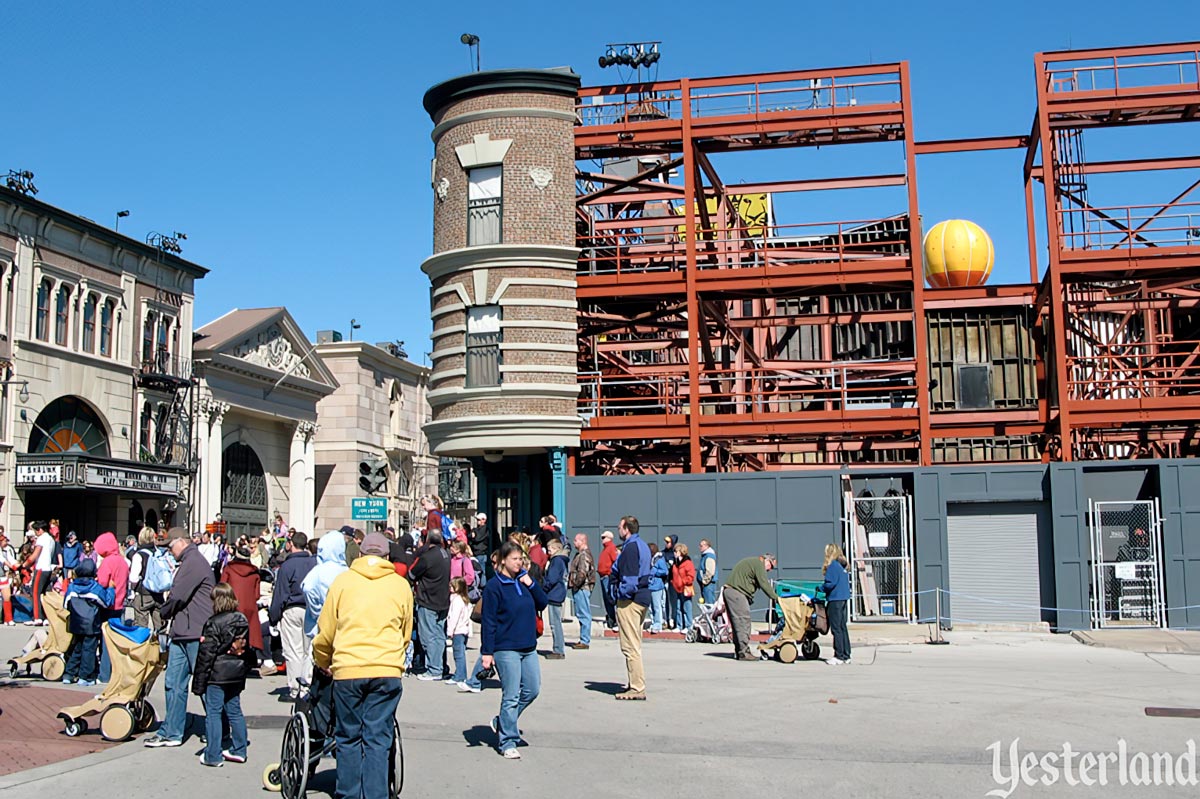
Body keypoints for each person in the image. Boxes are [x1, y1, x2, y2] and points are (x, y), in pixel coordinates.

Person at [312, 532, 412, 799]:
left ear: (359, 554)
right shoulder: (400, 585)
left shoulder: (343, 583)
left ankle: (348, 794)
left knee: (348, 736)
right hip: (386, 668)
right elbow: (405, 633)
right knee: (378, 737)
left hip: (349, 668)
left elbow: (327, 631)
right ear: (387, 556)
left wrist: (323, 659)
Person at [145, 527, 214, 747]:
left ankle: (217, 730)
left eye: (170, 547)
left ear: (181, 542)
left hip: (196, 633)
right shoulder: (189, 561)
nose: (169, 552)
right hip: (183, 632)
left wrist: (162, 612)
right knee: (173, 682)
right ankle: (171, 731)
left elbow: (177, 597)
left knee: (203, 685)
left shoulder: (193, 561)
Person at [480, 541, 548, 759]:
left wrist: (531, 583)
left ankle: (502, 721)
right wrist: (487, 652)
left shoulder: (524, 580)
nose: (519, 563)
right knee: (511, 694)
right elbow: (488, 621)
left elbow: (543, 602)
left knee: (532, 689)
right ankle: (507, 740)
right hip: (505, 647)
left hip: (528, 646)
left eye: (521, 558)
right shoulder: (494, 586)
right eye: (514, 559)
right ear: (502, 561)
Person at [191, 582, 252, 767]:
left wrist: (198, 681)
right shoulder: (242, 620)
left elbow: (206, 655)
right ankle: (240, 750)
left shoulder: (213, 623)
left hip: (217, 673)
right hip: (236, 671)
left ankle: (213, 754)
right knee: (234, 710)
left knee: (213, 713)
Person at [269, 531, 315, 698]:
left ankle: (294, 688)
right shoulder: (313, 563)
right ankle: (306, 687)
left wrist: (273, 616)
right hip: (310, 609)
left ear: (292, 544)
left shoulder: (287, 566)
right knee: (308, 650)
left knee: (293, 651)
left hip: (292, 609)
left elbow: (280, 594)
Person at [609, 516, 651, 700]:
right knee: (635, 643)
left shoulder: (631, 547)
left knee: (630, 646)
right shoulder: (642, 545)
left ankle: (637, 687)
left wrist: (619, 593)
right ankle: (635, 682)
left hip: (631, 600)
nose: (618, 530)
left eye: (620, 527)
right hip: (642, 598)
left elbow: (630, 578)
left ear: (626, 529)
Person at [62, 558, 114, 686]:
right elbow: (107, 602)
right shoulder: (95, 588)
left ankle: (69, 674)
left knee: (77, 648)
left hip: (76, 623)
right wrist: (111, 589)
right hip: (91, 624)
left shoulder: (72, 587)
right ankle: (85, 677)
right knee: (89, 650)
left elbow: (66, 604)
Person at [410, 530, 451, 680]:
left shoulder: (427, 557)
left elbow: (412, 574)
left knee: (428, 636)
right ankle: (438, 667)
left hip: (428, 599)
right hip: (443, 600)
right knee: (439, 635)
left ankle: (434, 669)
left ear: (427, 540)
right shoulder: (446, 554)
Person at [724, 553, 779, 662]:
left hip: (731, 592)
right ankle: (744, 652)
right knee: (743, 622)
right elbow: (764, 584)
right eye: (771, 566)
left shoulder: (753, 562)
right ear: (767, 560)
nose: (770, 570)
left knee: (737, 624)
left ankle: (739, 651)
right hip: (737, 593)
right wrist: (777, 598)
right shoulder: (759, 564)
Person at [220, 546, 265, 670]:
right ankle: (246, 660)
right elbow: (257, 595)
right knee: (249, 634)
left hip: (232, 605)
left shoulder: (228, 569)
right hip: (249, 606)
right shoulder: (255, 573)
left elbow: (222, 588)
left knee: (232, 633)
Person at [94, 532, 130, 683]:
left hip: (108, 605)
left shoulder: (107, 562)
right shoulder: (123, 562)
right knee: (115, 641)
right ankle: (117, 672)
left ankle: (104, 674)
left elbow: (102, 583)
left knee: (105, 640)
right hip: (120, 604)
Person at [302, 531, 348, 639]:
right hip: (342, 625)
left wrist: (316, 612)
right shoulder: (347, 570)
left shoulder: (319, 570)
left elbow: (307, 588)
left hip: (321, 627)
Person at [129, 527, 166, 631]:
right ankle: (161, 646)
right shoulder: (159, 553)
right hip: (158, 593)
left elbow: (133, 577)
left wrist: (132, 590)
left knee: (141, 627)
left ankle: (143, 646)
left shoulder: (139, 555)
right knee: (160, 627)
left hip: (143, 594)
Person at [821, 544, 852, 666]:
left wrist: (821, 588)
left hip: (835, 599)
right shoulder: (842, 565)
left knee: (836, 629)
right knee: (842, 627)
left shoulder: (833, 565)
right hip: (843, 598)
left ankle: (838, 655)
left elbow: (830, 583)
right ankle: (846, 655)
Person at [567, 533, 596, 650]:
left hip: (582, 588)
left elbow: (582, 573)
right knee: (581, 614)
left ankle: (585, 640)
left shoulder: (583, 555)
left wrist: (575, 584)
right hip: (581, 588)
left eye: (576, 540)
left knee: (584, 614)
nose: (574, 543)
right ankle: (583, 638)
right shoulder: (580, 554)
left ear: (582, 541)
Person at [24, 522, 57, 624]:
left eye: (35, 531)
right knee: (45, 593)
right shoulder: (51, 539)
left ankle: (37, 617)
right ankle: (46, 617)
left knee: (35, 592)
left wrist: (24, 565)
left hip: (41, 568)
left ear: (40, 530)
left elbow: (35, 555)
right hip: (48, 568)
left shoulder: (41, 539)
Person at [542, 539, 569, 659]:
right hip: (556, 593)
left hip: (554, 594)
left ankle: (558, 649)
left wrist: (544, 587)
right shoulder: (560, 560)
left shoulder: (556, 560)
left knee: (555, 623)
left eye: (550, 549)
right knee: (555, 622)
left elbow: (552, 578)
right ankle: (558, 648)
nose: (549, 552)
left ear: (557, 549)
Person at [447, 577, 472, 686]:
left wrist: (449, 631)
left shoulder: (457, 600)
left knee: (458, 654)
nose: (450, 588)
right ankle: (461, 674)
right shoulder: (465, 599)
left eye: (452, 586)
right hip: (464, 630)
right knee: (461, 653)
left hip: (458, 630)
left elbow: (454, 617)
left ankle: (459, 676)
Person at [672, 543, 696, 632]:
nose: (674, 553)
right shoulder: (675, 563)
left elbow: (691, 576)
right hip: (677, 588)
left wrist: (683, 582)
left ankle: (688, 626)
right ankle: (679, 625)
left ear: (681, 552)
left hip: (686, 588)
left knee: (687, 607)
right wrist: (674, 583)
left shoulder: (688, 563)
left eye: (676, 551)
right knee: (678, 608)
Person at [597, 530, 618, 630]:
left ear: (609, 538)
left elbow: (615, 561)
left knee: (610, 598)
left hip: (607, 577)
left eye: (604, 537)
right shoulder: (605, 549)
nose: (602, 539)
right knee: (606, 599)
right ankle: (610, 617)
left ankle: (613, 619)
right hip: (603, 576)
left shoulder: (611, 548)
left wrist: (611, 573)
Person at [647, 543, 668, 634]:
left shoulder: (659, 560)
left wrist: (655, 572)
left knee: (657, 606)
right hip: (650, 585)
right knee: (651, 607)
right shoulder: (650, 559)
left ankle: (658, 624)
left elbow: (665, 571)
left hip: (657, 586)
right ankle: (653, 622)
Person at [0, 532, 17, 625]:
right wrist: (11, 566)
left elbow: (12, 560)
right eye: (5, 540)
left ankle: (8, 619)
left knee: (7, 597)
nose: (6, 543)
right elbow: (3, 560)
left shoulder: (7, 551)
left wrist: (20, 565)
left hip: (2, 576)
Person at [662, 535, 678, 630]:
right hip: (665, 580)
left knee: (674, 603)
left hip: (673, 581)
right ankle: (666, 620)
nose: (666, 544)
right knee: (664, 603)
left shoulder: (675, 554)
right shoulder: (663, 553)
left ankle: (675, 621)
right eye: (666, 542)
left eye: (668, 542)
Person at [469, 512, 490, 586]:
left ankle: (482, 586)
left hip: (481, 553)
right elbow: (469, 536)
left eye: (479, 520)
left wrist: (473, 536)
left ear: (483, 520)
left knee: (482, 571)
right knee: (477, 571)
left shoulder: (485, 530)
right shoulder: (476, 529)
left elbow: (477, 538)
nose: (477, 521)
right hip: (477, 552)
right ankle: (480, 585)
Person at [698, 539, 719, 605]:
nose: (699, 547)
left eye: (701, 546)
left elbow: (710, 571)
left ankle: (711, 615)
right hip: (705, 584)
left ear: (707, 546)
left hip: (708, 584)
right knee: (706, 604)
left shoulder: (709, 556)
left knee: (709, 604)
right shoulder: (705, 556)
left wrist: (704, 581)